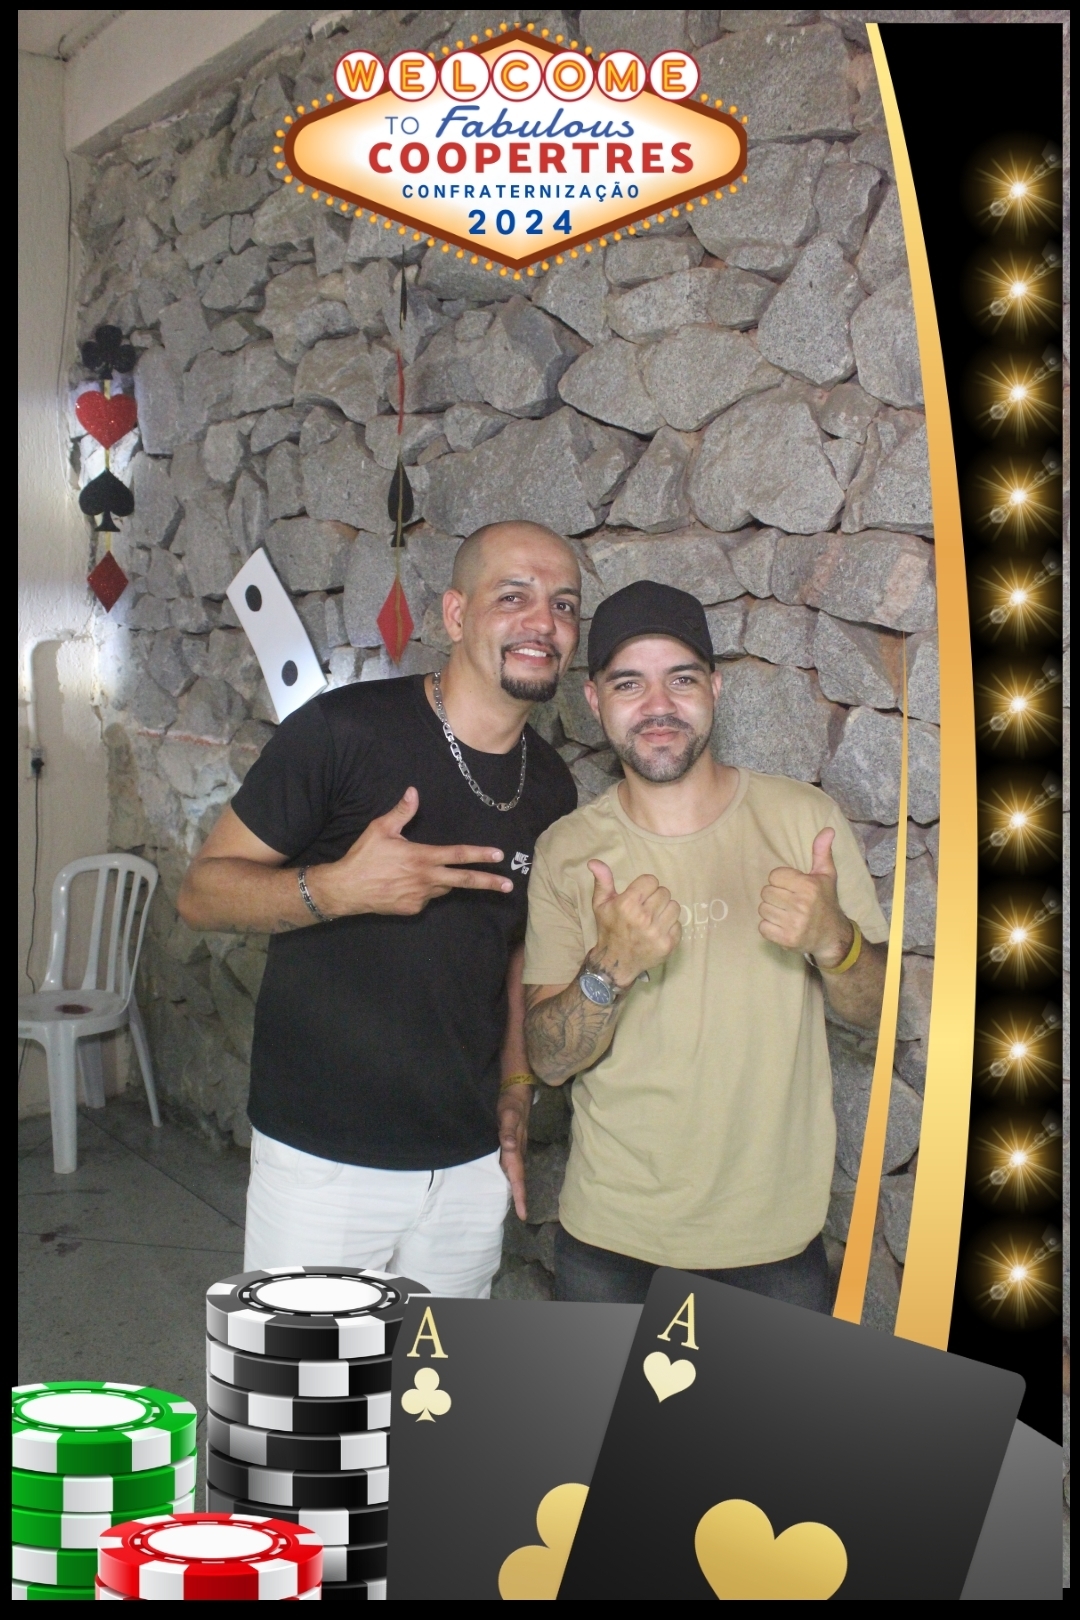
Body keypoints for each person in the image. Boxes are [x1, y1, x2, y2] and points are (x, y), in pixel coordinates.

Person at [177, 521, 581, 1296]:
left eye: (564, 604)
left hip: (468, 1164)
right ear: (456, 615)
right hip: (324, 1163)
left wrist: (515, 1087)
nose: (544, 621)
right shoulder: (343, 732)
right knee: (304, 1380)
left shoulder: (554, 786)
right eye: (514, 596)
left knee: (440, 1379)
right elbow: (201, 893)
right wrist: (337, 887)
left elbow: (515, 950)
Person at [522, 580, 889, 1311]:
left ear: (715, 689)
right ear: (594, 701)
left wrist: (834, 941)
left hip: (773, 1244)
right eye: (629, 683)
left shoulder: (804, 820)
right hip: (612, 1242)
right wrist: (608, 969)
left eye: (682, 679)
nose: (658, 705)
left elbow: (878, 1011)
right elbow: (549, 1060)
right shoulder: (567, 850)